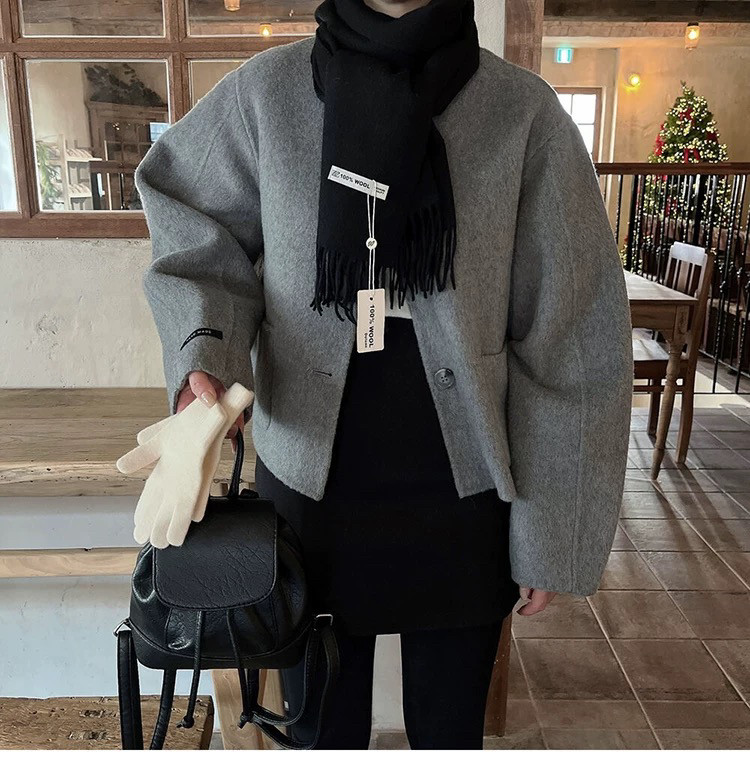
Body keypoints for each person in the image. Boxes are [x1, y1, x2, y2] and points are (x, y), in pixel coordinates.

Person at [134, 0, 633, 749]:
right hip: (309, 484)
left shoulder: (522, 113)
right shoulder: (265, 97)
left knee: (450, 731)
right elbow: (191, 217)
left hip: (467, 488)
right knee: (321, 730)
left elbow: (571, 334)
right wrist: (205, 356)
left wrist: (552, 532)